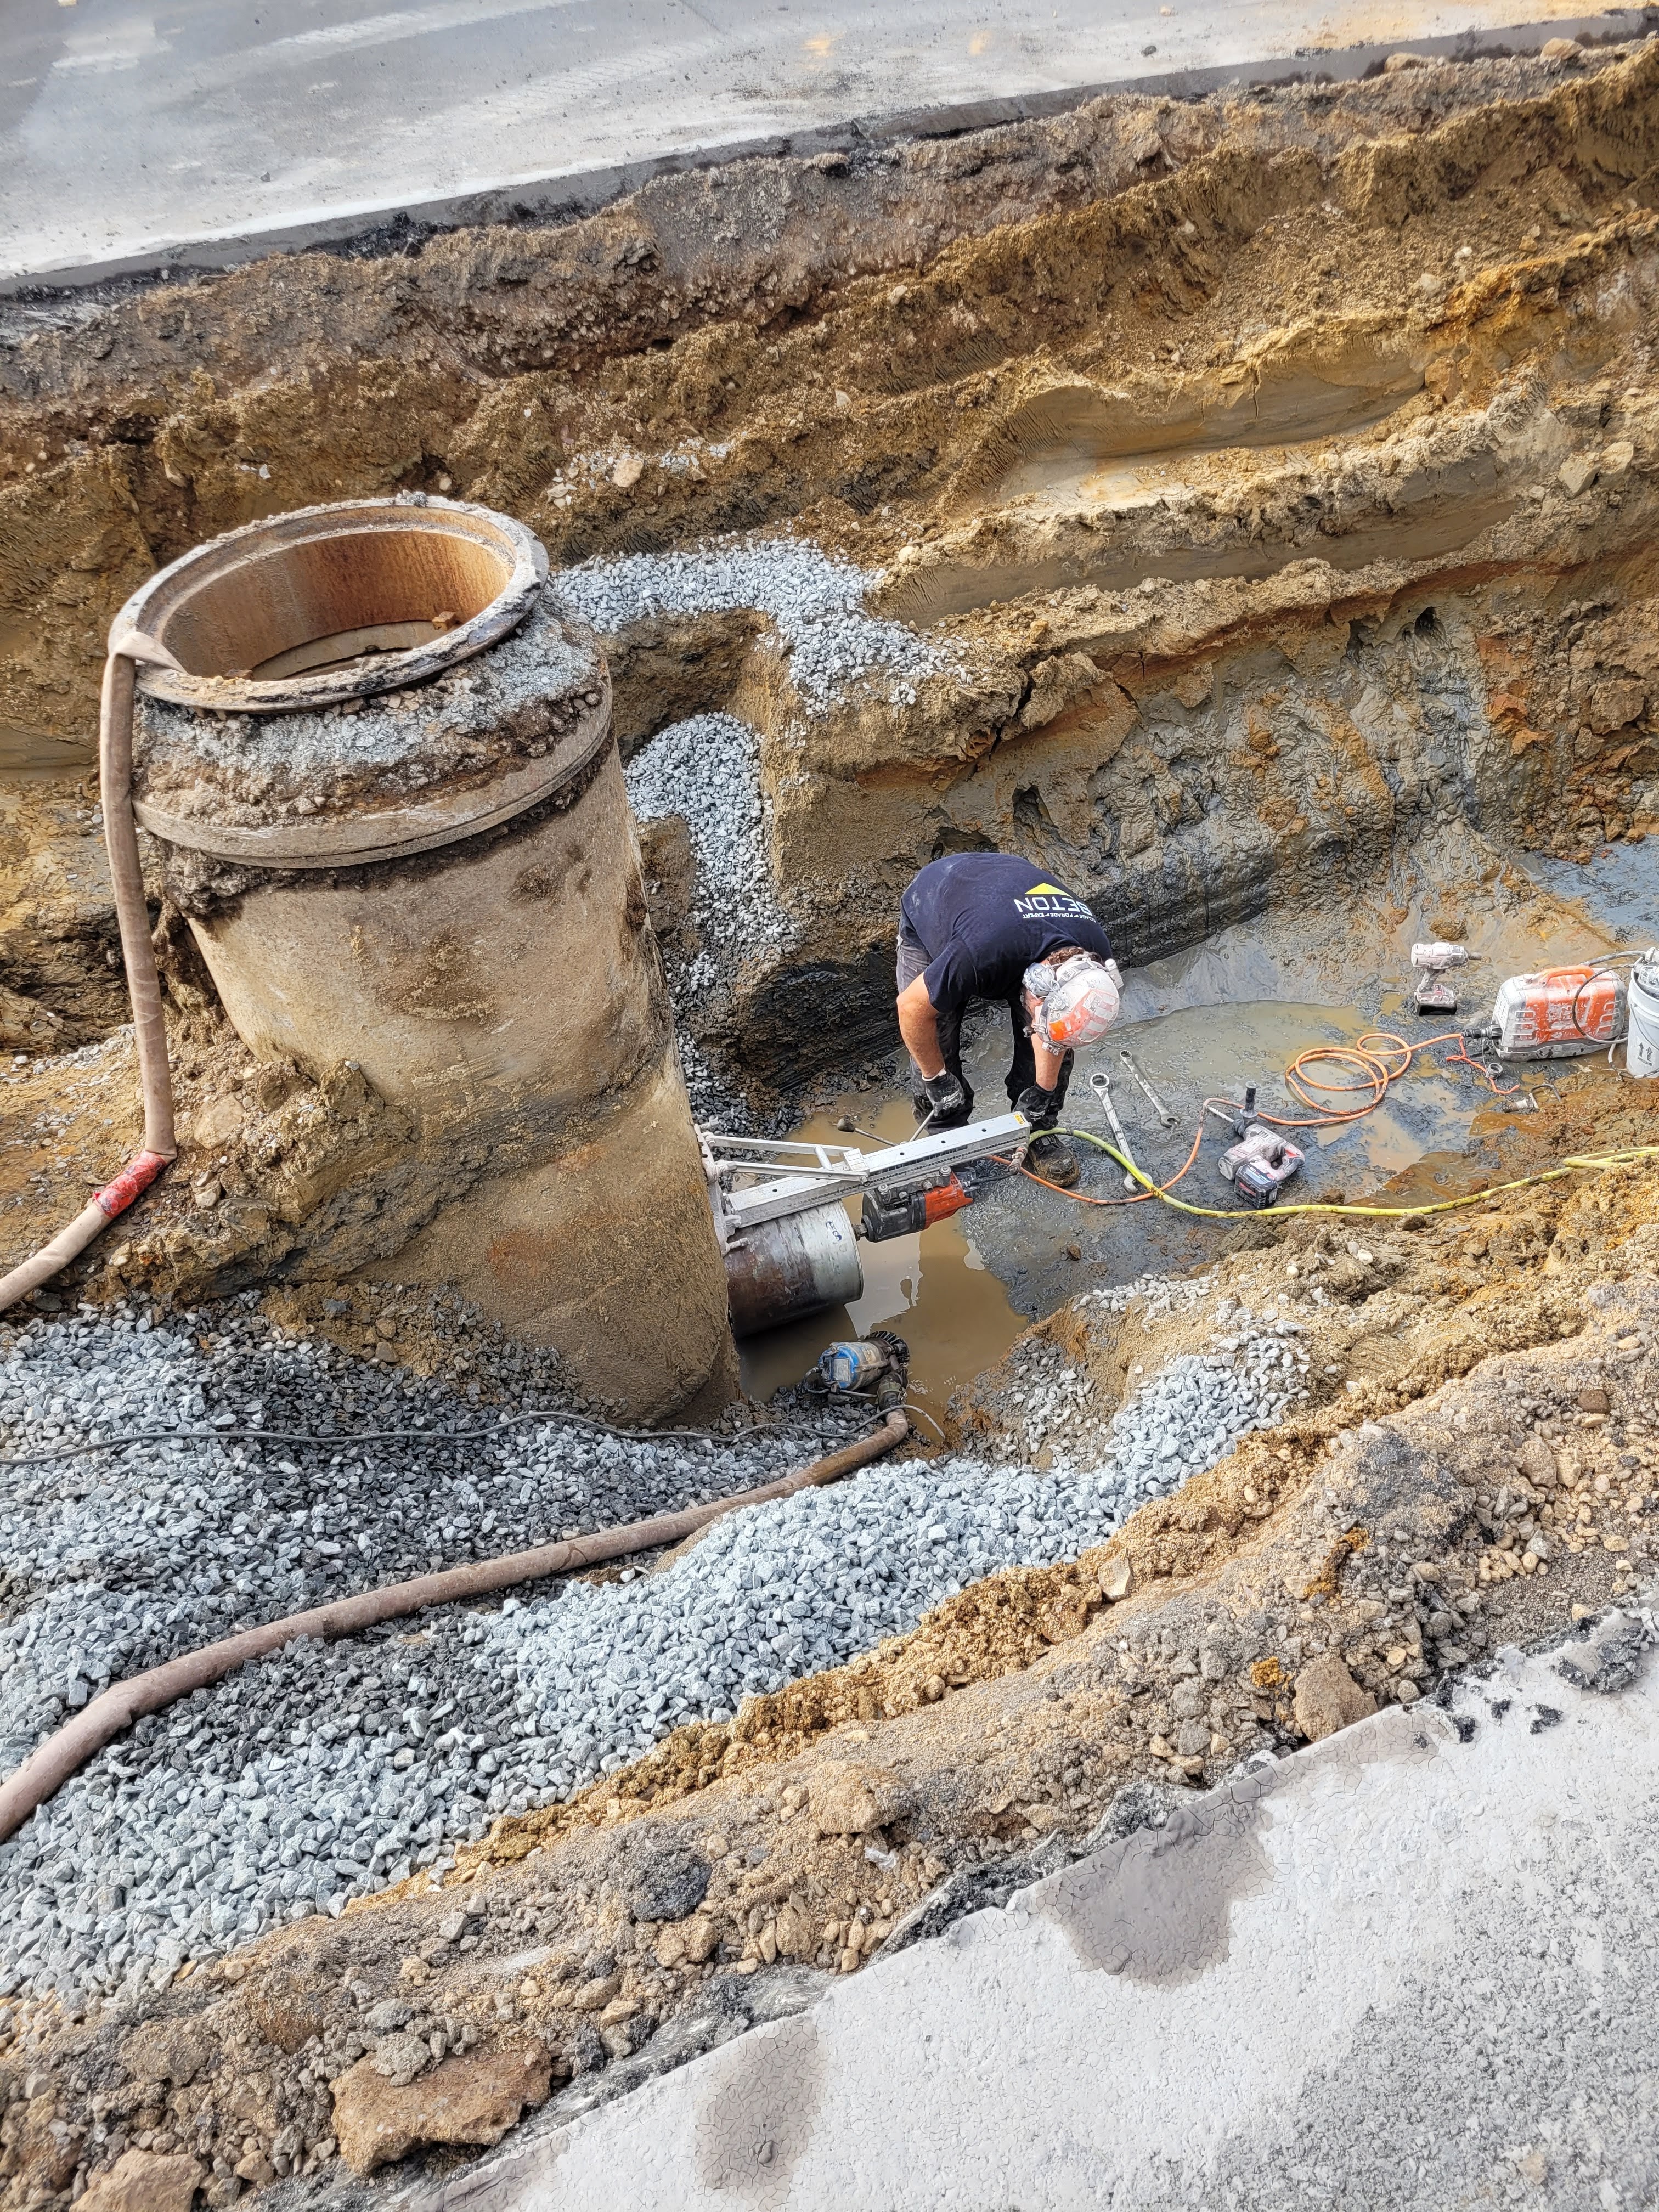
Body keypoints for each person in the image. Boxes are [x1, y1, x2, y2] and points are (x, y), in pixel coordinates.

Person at [894, 851, 1121, 1188]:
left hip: (1005, 898)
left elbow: (1057, 1031)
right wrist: (937, 1079)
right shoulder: (977, 953)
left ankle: (1036, 1128)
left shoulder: (1093, 956)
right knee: (937, 1029)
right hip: (938, 896)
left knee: (1054, 1028)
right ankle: (946, 1137)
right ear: (1038, 987)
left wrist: (1042, 1093)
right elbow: (911, 1010)